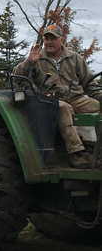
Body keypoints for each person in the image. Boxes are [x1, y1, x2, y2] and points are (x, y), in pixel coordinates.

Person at [14, 25, 102, 169]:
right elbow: (17, 78)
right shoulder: (37, 58)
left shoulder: (74, 58)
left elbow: (90, 83)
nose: (49, 42)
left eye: (53, 38)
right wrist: (30, 62)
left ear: (61, 40)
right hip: (50, 100)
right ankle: (75, 154)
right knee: (63, 108)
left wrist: (100, 97)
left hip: (76, 98)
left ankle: (97, 151)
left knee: (98, 106)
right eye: (46, 38)